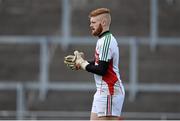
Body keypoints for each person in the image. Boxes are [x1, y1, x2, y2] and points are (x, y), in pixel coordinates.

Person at [64, 8, 125, 120]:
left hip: (109, 92)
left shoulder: (107, 41)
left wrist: (82, 63)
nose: (90, 25)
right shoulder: (102, 40)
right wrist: (82, 63)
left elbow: (102, 69)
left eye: (93, 22)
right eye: (90, 22)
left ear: (104, 23)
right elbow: (99, 62)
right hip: (102, 92)